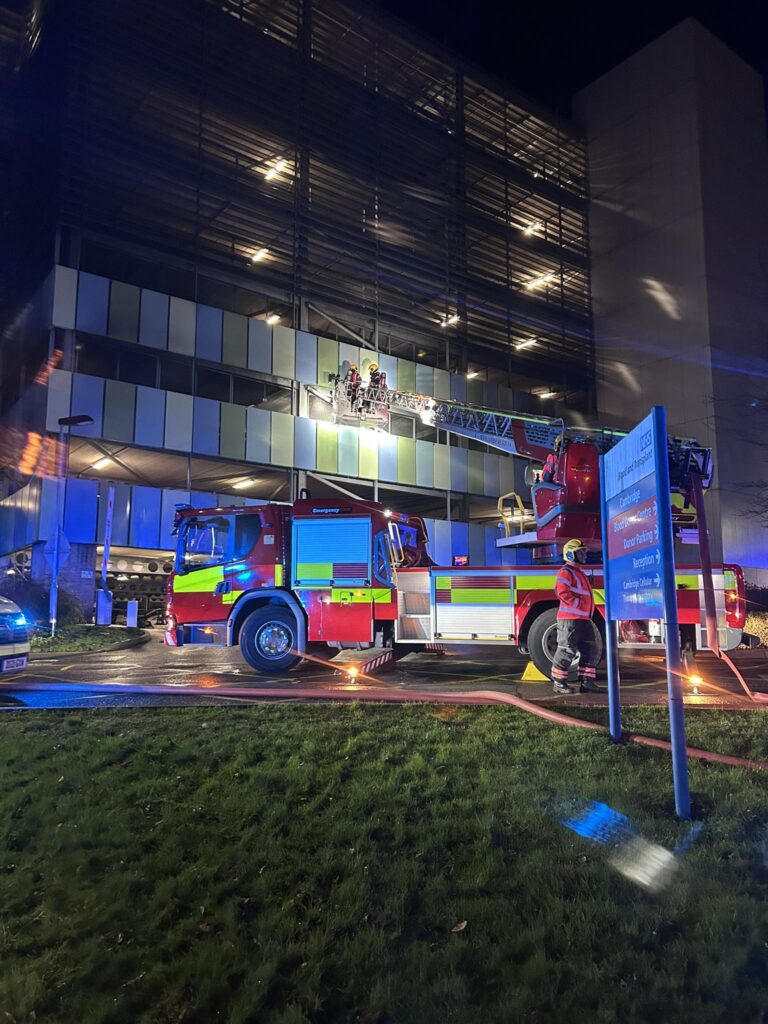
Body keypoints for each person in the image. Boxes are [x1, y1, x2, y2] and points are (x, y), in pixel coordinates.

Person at [550, 538, 600, 695]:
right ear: (571, 554)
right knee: (567, 650)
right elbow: (561, 592)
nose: (584, 555)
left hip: (583, 618)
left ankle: (587, 682)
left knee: (590, 649)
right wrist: (579, 605)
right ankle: (559, 683)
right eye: (581, 552)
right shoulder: (566, 572)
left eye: (584, 552)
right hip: (570, 619)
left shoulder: (578, 572)